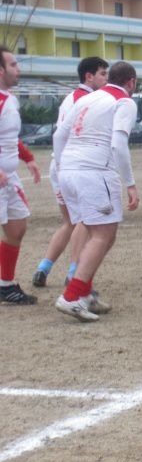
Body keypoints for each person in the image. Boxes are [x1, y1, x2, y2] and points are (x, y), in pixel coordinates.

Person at [52, 61, 140, 321]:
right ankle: (71, 296)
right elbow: (119, 144)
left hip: (69, 169)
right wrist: (131, 183)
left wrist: (62, 167)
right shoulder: (124, 102)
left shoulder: (87, 98)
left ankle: (84, 291)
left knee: (98, 234)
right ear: (131, 82)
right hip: (94, 171)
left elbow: (59, 136)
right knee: (103, 235)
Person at [33, 56, 108, 289]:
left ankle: (43, 268)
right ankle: (75, 273)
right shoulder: (90, 100)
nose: (106, 79)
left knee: (69, 222)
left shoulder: (70, 98)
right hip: (74, 165)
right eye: (103, 74)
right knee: (84, 221)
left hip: (60, 164)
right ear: (89, 76)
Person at [0, 45, 41, 305]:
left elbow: (9, 138)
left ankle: (6, 285)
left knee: (17, 225)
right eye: (13, 64)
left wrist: (28, 159)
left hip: (9, 177)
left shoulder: (10, 98)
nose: (19, 68)